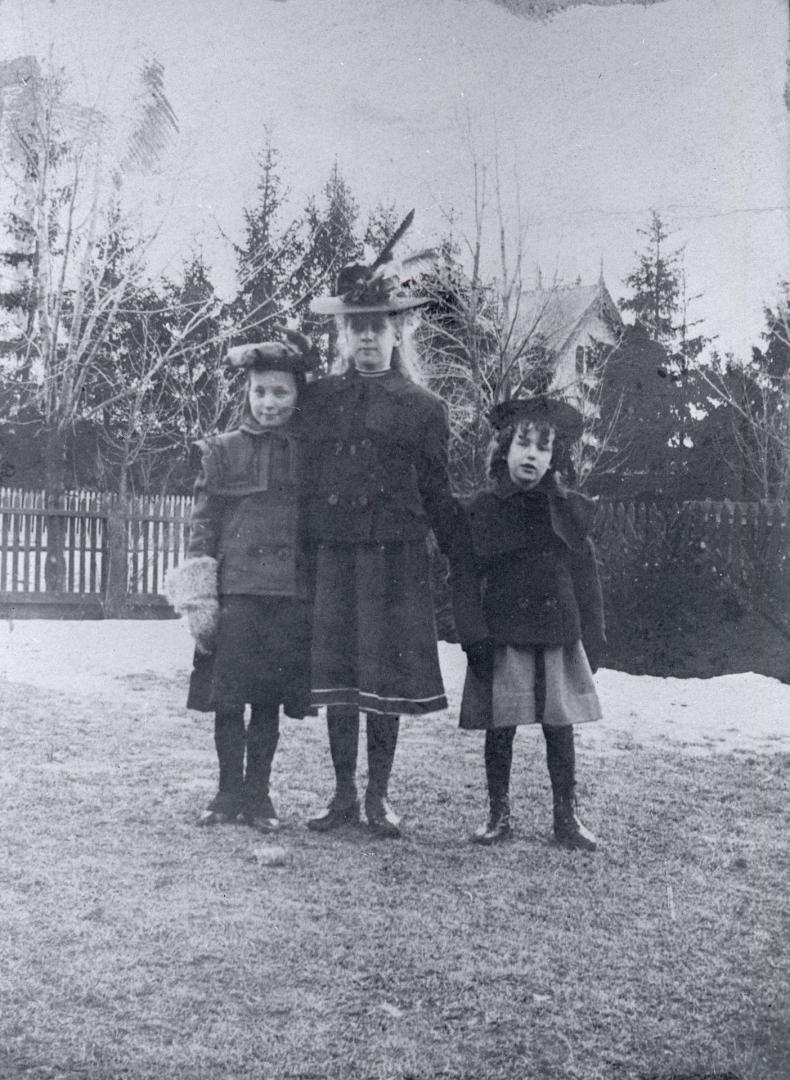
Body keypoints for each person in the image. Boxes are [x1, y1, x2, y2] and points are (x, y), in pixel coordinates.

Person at [302, 212, 459, 839]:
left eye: (379, 327)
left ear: (399, 331)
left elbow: (439, 493)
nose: (368, 339)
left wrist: (461, 557)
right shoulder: (320, 400)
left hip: (394, 559)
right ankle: (341, 795)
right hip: (335, 554)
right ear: (344, 334)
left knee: (383, 681)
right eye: (356, 328)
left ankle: (378, 798)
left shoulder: (424, 409)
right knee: (340, 679)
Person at [166, 328, 315, 832]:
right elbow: (203, 525)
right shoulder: (222, 451)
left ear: (297, 395)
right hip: (234, 596)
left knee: (267, 701)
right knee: (227, 699)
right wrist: (199, 597)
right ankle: (227, 792)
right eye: (259, 391)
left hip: (287, 596)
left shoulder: (310, 453)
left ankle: (259, 796)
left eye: (281, 392)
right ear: (246, 393)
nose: (269, 403)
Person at [451, 397, 606, 850]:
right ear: (505, 447)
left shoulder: (568, 509)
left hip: (558, 633)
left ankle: (566, 817)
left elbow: (587, 576)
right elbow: (461, 578)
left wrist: (594, 636)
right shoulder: (481, 509)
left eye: (543, 446)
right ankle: (498, 814)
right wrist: (472, 637)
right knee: (502, 725)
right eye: (523, 442)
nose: (532, 454)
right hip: (503, 635)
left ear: (554, 456)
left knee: (560, 726)